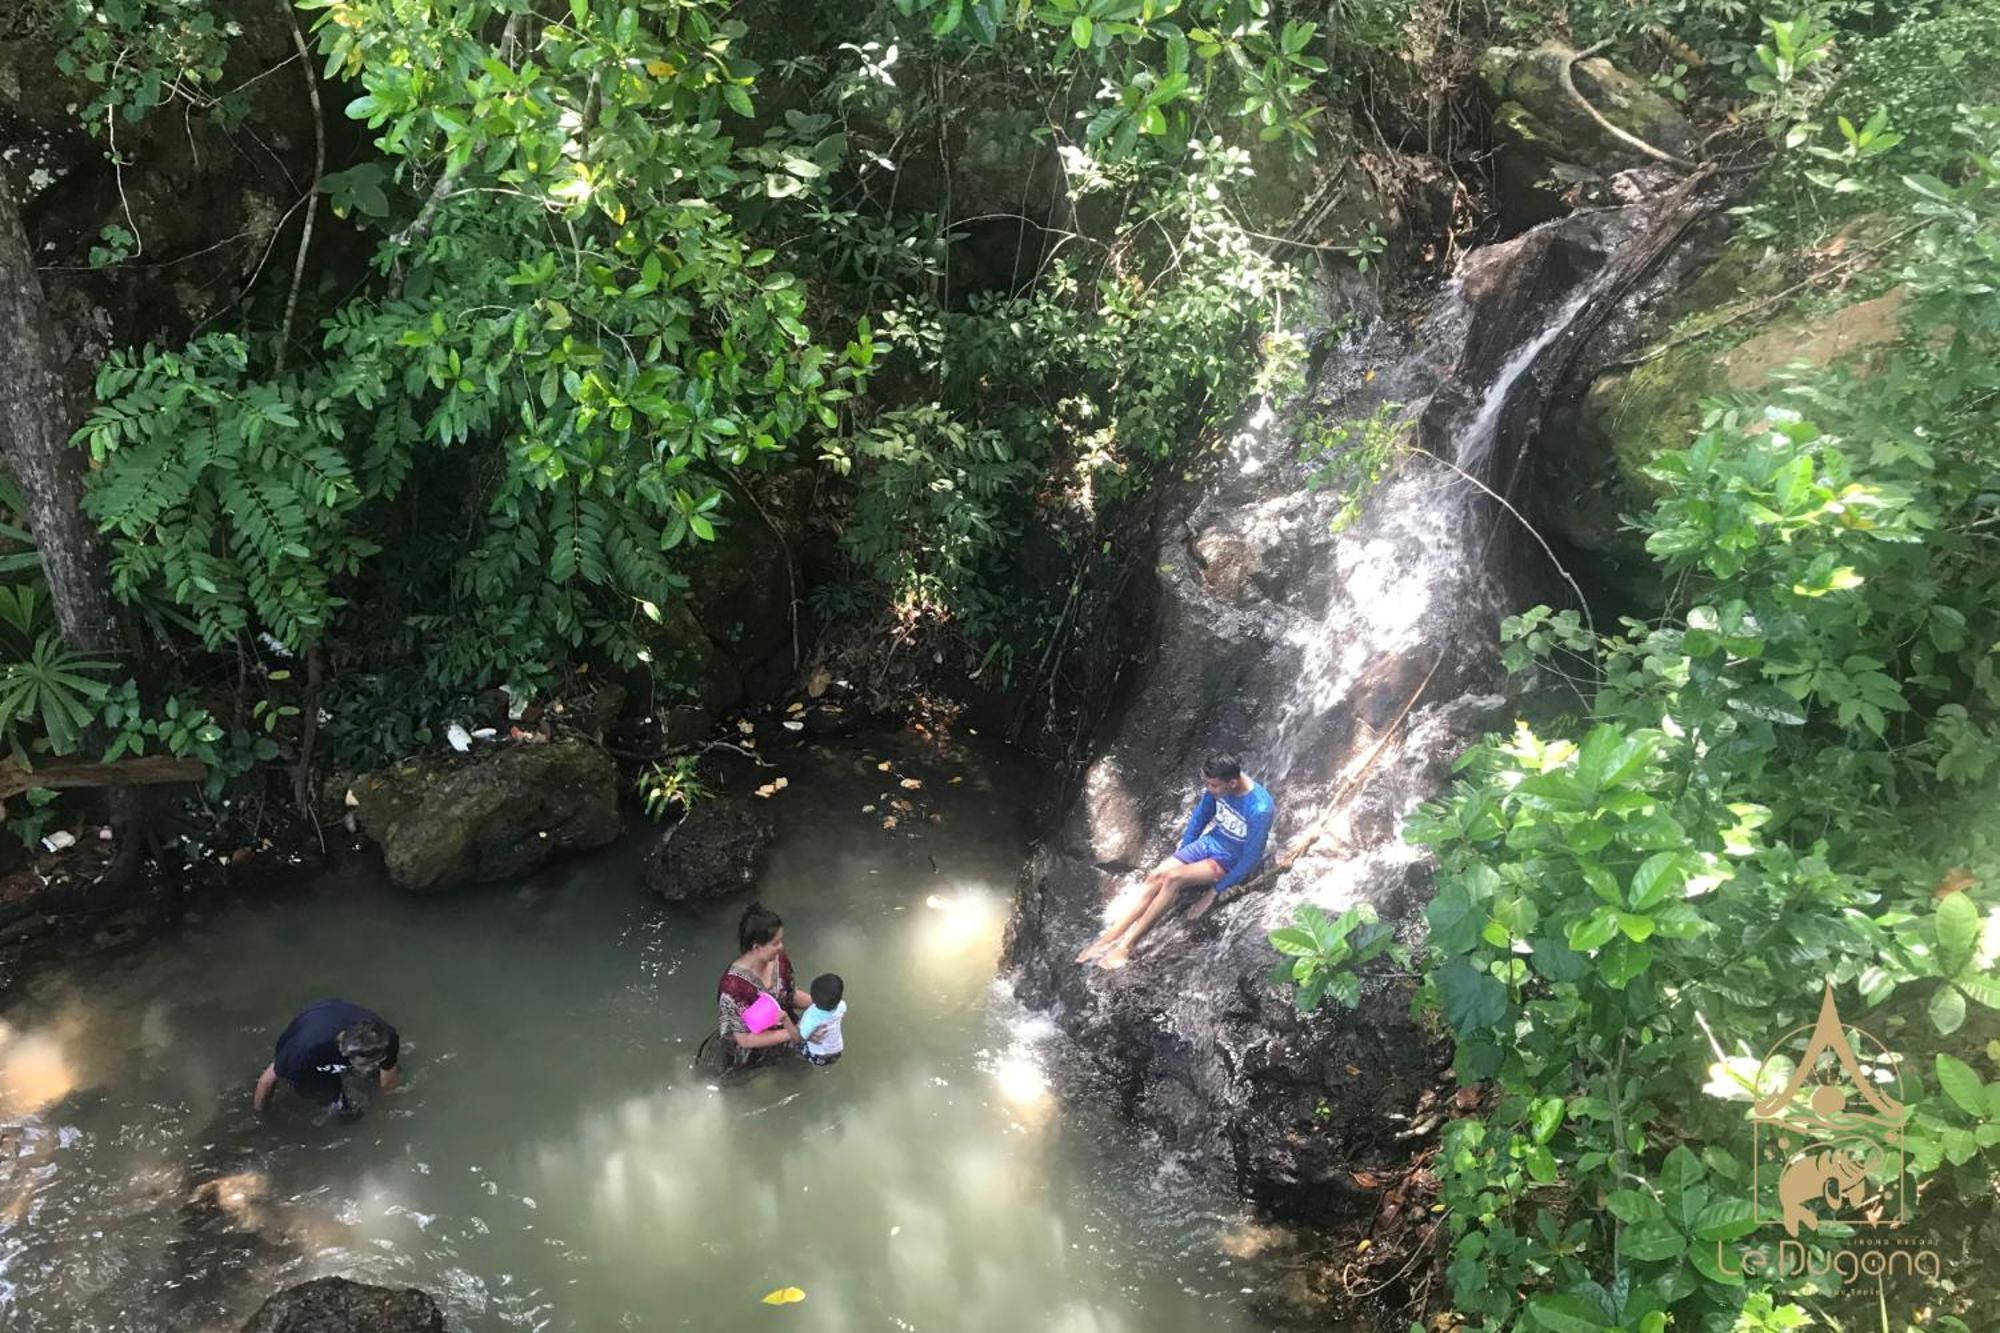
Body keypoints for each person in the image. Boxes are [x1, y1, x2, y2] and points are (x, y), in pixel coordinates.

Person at [1076, 754, 1275, 969]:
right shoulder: (1218, 787)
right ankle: (1107, 939)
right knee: (1155, 877)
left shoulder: (1259, 809)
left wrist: (1215, 891)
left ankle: (1126, 946)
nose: (1209, 789)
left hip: (1228, 860)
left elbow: (1251, 857)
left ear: (1233, 783)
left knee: (1173, 879)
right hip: (1210, 843)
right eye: (1206, 783)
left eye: (1213, 785)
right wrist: (1184, 852)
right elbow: (1200, 817)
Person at [253, 999, 400, 1118]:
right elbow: (266, 1081)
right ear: (345, 1054)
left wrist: (387, 1112)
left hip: (334, 1016)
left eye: (379, 1059)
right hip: (311, 1031)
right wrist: (261, 1116)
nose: (376, 1065)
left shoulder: (385, 1038)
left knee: (375, 1074)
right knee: (340, 1106)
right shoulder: (303, 1051)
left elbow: (388, 1080)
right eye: (369, 1063)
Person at [716, 901, 813, 1068]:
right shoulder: (732, 988)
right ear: (756, 947)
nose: (781, 947)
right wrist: (795, 1032)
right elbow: (744, 1039)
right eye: (775, 943)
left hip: (788, 1032)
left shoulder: (779, 961)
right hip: (752, 1053)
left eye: (781, 940)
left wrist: (819, 1005)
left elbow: (789, 995)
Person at [797, 974, 846, 1067]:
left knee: (797, 1041)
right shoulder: (842, 1006)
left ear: (813, 998)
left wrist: (800, 1026)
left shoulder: (812, 1016)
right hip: (837, 1051)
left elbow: (802, 1036)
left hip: (817, 1056)